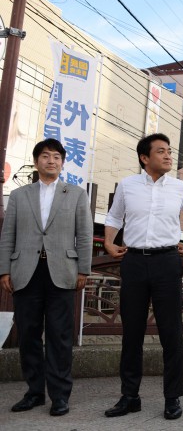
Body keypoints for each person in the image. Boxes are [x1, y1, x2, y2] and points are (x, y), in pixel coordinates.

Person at [103, 133, 183, 420]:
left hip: (167, 262)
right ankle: (129, 396)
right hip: (133, 261)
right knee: (131, 333)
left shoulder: (179, 187)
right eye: (161, 151)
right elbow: (113, 217)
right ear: (145, 158)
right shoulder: (127, 185)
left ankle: (172, 398)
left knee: (171, 333)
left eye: (169, 151)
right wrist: (109, 243)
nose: (169, 156)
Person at [0, 139, 93, 416]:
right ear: (36, 161)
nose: (51, 161)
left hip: (62, 272)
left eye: (56, 157)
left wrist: (83, 269)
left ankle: (60, 396)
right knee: (28, 334)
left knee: (60, 336)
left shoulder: (75, 194)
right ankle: (34, 392)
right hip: (26, 271)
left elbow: (85, 234)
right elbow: (8, 236)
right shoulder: (19, 195)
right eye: (45, 156)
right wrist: (4, 269)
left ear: (63, 163)